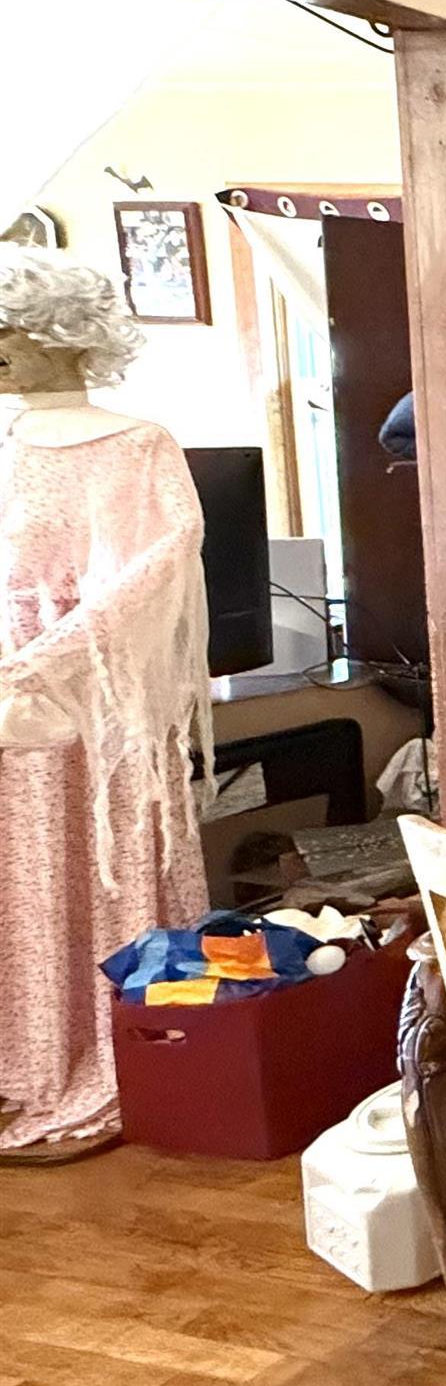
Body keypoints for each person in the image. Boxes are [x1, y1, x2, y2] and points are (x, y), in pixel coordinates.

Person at [0, 246, 210, 1161]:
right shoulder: (9, 446)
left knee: (103, 865)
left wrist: (50, 656)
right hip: (15, 696)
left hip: (102, 700)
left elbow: (160, 559)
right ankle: (28, 1059)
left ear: (59, 332)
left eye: (9, 329)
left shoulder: (137, 445)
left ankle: (117, 1052)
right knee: (22, 875)